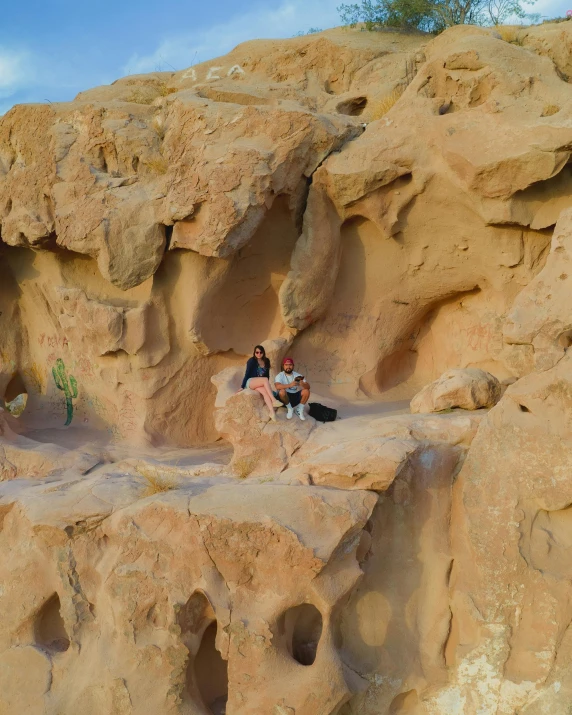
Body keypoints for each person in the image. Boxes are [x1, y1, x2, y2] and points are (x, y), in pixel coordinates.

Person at [239, 345, 277, 421]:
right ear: (254, 353)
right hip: (250, 382)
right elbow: (247, 374)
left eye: (260, 352)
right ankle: (274, 400)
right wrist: (242, 386)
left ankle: (272, 413)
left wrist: (266, 386)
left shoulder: (266, 361)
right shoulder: (251, 361)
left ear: (263, 353)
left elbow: (267, 375)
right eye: (257, 352)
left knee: (265, 392)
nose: (259, 354)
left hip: (259, 383)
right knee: (265, 380)